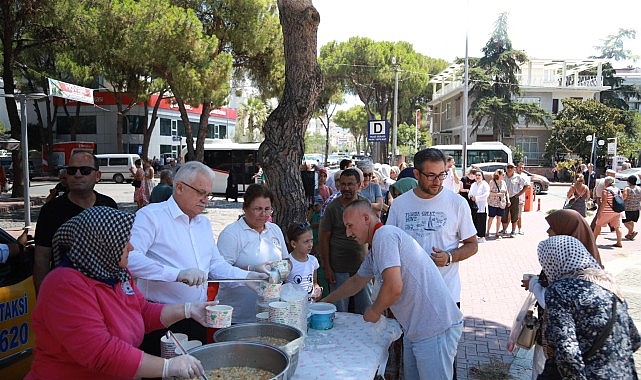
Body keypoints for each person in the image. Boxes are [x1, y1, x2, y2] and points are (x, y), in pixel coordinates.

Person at [27, 207, 209, 380]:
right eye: (124, 242)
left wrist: (188, 310)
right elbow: (100, 351)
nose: (131, 247)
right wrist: (167, 366)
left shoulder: (116, 273)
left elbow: (142, 312)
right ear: (101, 245)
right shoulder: (64, 285)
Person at [127, 161, 267, 354]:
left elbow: (216, 265)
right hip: (160, 317)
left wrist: (246, 277)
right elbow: (130, 259)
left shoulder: (204, 224)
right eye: (201, 192)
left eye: (208, 194)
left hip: (197, 315)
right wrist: (176, 274)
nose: (206, 200)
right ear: (179, 188)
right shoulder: (151, 216)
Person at [322, 200, 463, 379]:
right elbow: (356, 281)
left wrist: (374, 311)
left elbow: (394, 286)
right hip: (417, 331)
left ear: (366, 218)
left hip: (435, 329)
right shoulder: (377, 245)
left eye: (350, 226)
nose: (348, 233)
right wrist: (324, 302)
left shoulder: (384, 236)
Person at [536, 235, 640, 379]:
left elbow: (568, 352)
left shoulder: (560, 291)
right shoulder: (608, 284)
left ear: (554, 260)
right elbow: (634, 340)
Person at [386, 148, 478, 309]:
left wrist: (450, 256)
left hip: (446, 295)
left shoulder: (457, 203)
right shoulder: (399, 205)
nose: (437, 181)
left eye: (442, 174)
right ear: (416, 174)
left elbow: (472, 245)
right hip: (407, 297)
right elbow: (389, 247)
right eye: (431, 176)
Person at [33, 151, 118, 294]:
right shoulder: (51, 210)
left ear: (98, 176)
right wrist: (43, 298)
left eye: (85, 170)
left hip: (105, 290)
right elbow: (41, 258)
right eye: (72, 170)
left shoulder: (109, 205)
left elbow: (118, 253)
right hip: (66, 293)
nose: (77, 175)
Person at [216, 184, 289, 323]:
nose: (263, 214)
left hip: (271, 312)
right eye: (257, 209)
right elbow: (219, 273)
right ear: (245, 208)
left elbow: (286, 259)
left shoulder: (274, 230)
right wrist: (251, 270)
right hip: (239, 315)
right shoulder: (232, 234)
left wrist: (283, 269)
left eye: (267, 209)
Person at [319, 168, 372, 314]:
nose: (346, 188)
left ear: (359, 185)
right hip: (338, 268)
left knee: (366, 308)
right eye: (343, 184)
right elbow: (323, 238)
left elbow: (373, 233)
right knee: (339, 312)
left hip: (363, 267)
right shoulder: (333, 207)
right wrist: (327, 268)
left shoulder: (365, 204)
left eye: (350, 184)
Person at [285, 221, 322, 301]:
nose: (310, 245)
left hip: (310, 306)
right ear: (294, 244)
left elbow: (314, 282)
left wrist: (317, 289)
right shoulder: (287, 262)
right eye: (306, 241)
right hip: (293, 307)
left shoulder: (313, 261)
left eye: (311, 240)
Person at [593, 177, 623, 248]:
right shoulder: (618, 190)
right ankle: (619, 242)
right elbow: (621, 199)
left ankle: (593, 241)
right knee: (618, 227)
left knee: (598, 225)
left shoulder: (605, 191)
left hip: (606, 211)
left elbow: (604, 202)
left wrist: (599, 212)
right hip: (616, 211)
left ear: (606, 183)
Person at [502, 163, 529, 237]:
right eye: (508, 167)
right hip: (504, 197)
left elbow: (527, 185)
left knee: (514, 215)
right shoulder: (503, 176)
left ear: (514, 168)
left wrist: (519, 194)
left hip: (514, 197)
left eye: (511, 167)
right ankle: (504, 230)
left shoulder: (518, 177)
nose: (509, 169)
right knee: (504, 215)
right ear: (506, 168)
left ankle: (513, 231)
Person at [486, 169, 508, 239]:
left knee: (499, 218)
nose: (504, 176)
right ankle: (487, 231)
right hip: (492, 203)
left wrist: (508, 200)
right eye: (503, 175)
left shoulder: (503, 182)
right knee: (491, 218)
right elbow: (488, 192)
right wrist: (497, 194)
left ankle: (497, 233)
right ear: (498, 175)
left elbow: (506, 192)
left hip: (501, 204)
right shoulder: (492, 182)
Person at [469, 170, 490, 243]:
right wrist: (471, 196)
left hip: (481, 206)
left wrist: (477, 198)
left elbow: (486, 194)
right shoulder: (473, 184)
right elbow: (470, 192)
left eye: (479, 175)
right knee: (474, 221)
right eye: (476, 175)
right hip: (474, 206)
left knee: (481, 221)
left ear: (482, 176)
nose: (477, 177)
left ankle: (482, 237)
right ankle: (475, 236)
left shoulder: (484, 184)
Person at [622, 175, 641, 240]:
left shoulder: (627, 188)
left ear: (629, 182)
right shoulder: (639, 188)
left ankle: (632, 231)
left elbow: (624, 196)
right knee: (631, 221)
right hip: (636, 208)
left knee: (625, 221)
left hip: (628, 208)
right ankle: (630, 234)